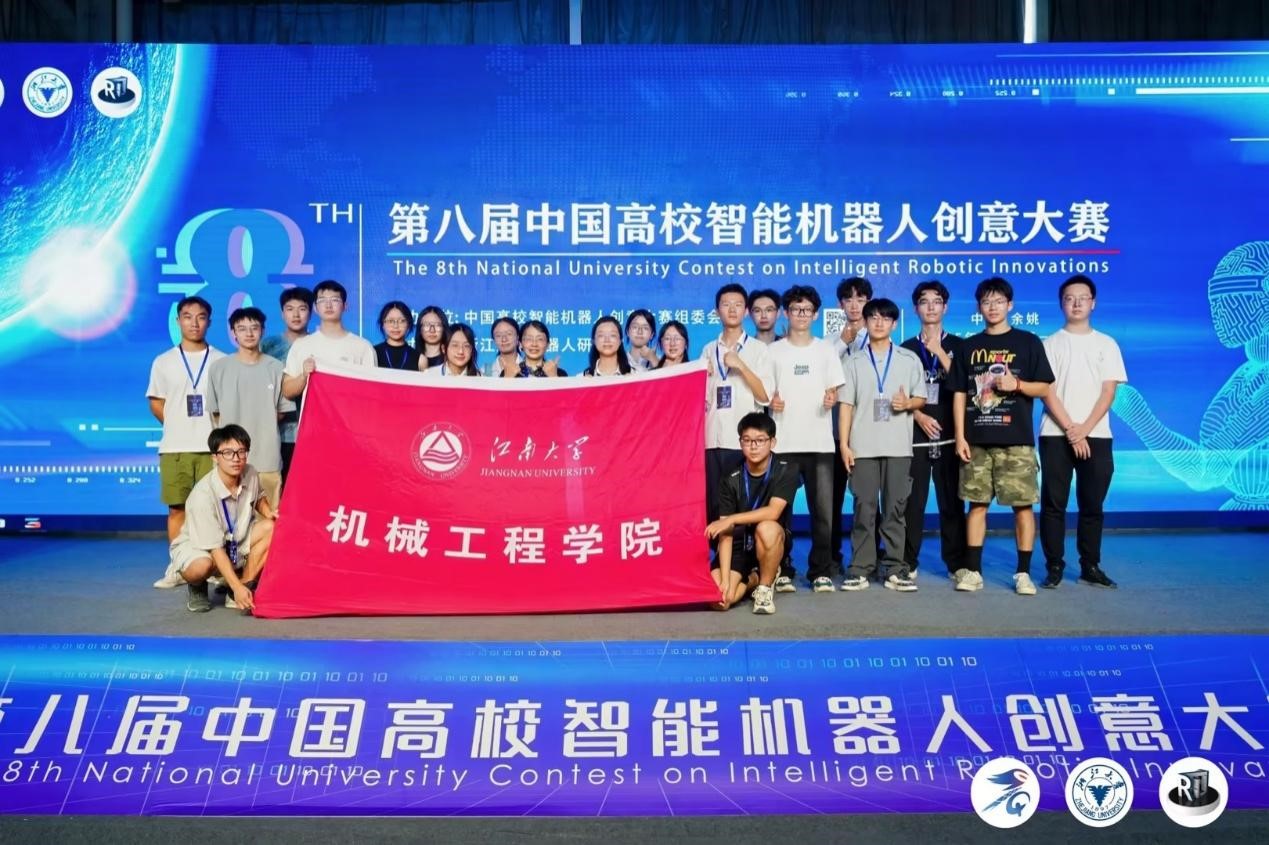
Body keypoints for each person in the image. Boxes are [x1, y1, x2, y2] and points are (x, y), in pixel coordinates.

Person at [952, 278, 1055, 596]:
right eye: (986, 302)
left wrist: (1018, 385)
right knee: (976, 506)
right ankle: (973, 571)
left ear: (1010, 305)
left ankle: (1023, 573)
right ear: (979, 307)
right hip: (977, 440)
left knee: (1022, 507)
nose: (992, 307)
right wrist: (960, 436)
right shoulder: (968, 346)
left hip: (1017, 440)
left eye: (998, 301)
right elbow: (959, 393)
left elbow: (1045, 387)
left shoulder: (1028, 342)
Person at [1039, 275, 1127, 589]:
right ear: (1061, 303)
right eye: (1069, 298)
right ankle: (1054, 566)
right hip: (1055, 433)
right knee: (1053, 504)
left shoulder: (1107, 344)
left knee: (1092, 505)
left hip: (1097, 434)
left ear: (1093, 303)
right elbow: (1046, 392)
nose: (1076, 303)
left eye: (1083, 298)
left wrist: (1084, 430)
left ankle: (1090, 566)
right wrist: (1070, 430)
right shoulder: (1049, 344)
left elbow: (1108, 392)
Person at [838, 299, 927, 593]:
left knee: (895, 510)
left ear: (894, 323)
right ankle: (860, 567)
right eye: (873, 317)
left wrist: (908, 403)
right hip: (862, 447)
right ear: (865, 322)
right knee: (863, 509)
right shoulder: (852, 362)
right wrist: (844, 445)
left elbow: (921, 398)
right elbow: (846, 406)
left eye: (885, 318)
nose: (879, 323)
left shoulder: (908, 359)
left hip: (898, 447)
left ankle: (894, 567)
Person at [767, 285, 843, 593]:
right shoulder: (774, 351)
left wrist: (831, 398)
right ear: (786, 313)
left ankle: (820, 571)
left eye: (807, 310)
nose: (801, 314)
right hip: (783, 443)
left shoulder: (826, 349)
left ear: (815, 314)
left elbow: (834, 389)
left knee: (822, 513)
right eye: (796, 309)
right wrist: (771, 401)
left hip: (819, 444)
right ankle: (782, 568)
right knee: (780, 513)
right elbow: (765, 392)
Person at [147, 295, 225, 588]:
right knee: (177, 509)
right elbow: (157, 403)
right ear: (178, 321)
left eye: (201, 317)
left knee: (213, 510)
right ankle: (178, 566)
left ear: (209, 322)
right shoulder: (163, 361)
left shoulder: (221, 360)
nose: (194, 323)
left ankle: (215, 568)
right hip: (175, 447)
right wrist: (179, 424)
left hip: (211, 450)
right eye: (188, 317)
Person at [163, 424, 275, 614]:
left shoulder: (250, 473)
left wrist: (268, 512)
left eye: (241, 452)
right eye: (228, 453)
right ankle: (197, 586)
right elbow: (215, 549)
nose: (236, 458)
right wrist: (236, 586)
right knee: (202, 565)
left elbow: (259, 496)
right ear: (215, 457)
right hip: (199, 547)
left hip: (233, 540)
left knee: (272, 527)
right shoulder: (202, 496)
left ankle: (241, 586)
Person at [900, 281, 967, 580]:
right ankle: (908, 561)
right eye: (924, 301)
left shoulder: (960, 346)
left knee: (951, 502)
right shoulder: (905, 349)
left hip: (951, 435)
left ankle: (957, 563)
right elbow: (898, 393)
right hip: (915, 435)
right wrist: (918, 415)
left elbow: (964, 385)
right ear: (916, 308)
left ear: (945, 307)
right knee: (912, 503)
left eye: (936, 301)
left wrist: (939, 351)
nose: (930, 306)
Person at [705, 413, 797, 615]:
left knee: (767, 528)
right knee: (721, 600)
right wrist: (725, 581)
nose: (753, 446)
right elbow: (726, 531)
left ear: (772, 442)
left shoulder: (785, 469)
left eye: (760, 440)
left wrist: (732, 519)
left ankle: (764, 586)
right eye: (747, 441)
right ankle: (753, 579)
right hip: (738, 543)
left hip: (770, 539)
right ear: (740, 443)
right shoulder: (730, 477)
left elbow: (773, 512)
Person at [701, 284, 774, 531]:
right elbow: (702, 401)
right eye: (726, 305)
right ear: (716, 311)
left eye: (738, 305)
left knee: (743, 506)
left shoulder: (758, 349)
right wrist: (700, 377)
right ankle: (718, 554)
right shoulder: (708, 350)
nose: (732, 310)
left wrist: (741, 366)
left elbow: (765, 396)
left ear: (746, 312)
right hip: (712, 440)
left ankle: (744, 555)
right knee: (714, 506)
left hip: (744, 442)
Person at [207, 307, 292, 510]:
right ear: (233, 333)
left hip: (267, 458)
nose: (249, 333)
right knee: (229, 518)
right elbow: (215, 413)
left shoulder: (276, 368)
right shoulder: (219, 368)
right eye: (242, 328)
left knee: (269, 517)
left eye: (254, 327)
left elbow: (281, 411)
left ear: (262, 330)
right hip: (230, 459)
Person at [830, 277, 873, 573]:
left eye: (861, 299)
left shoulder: (880, 338)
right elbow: (822, 372)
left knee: (868, 499)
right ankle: (831, 555)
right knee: (832, 498)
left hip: (869, 432)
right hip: (836, 433)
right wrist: (843, 343)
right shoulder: (829, 343)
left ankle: (869, 555)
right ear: (840, 304)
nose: (855, 305)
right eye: (849, 299)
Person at [282, 279, 376, 401]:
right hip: (313, 413)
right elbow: (287, 391)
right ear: (315, 308)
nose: (328, 305)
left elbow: (373, 392)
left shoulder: (363, 347)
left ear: (345, 306)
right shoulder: (301, 345)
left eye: (335, 300)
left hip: (350, 412)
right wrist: (304, 376)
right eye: (322, 300)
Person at [261, 287, 312, 484]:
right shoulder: (268, 346)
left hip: (313, 433)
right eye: (290, 309)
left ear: (311, 312)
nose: (296, 315)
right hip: (277, 433)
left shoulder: (318, 344)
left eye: (302, 309)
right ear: (282, 313)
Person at [374, 300, 423, 371]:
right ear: (383, 324)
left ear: (409, 324)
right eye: (391, 321)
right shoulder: (372, 353)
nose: (396, 326)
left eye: (402, 321)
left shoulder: (420, 359)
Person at [414, 305, 448, 369]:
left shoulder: (451, 360)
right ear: (420, 329)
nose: (432, 330)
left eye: (437, 325)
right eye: (427, 325)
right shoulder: (411, 358)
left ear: (444, 328)